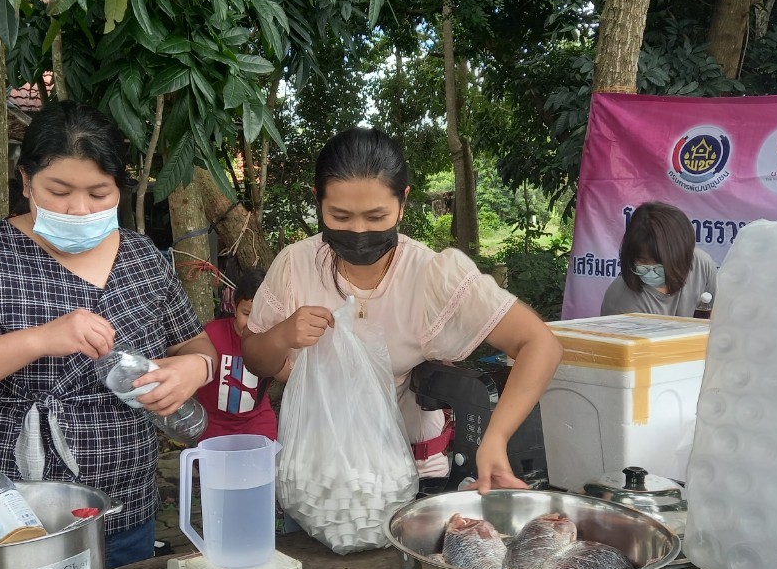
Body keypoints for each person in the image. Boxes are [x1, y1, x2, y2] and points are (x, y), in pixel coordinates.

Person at [0, 101, 217, 569]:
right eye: (59, 190)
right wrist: (38, 339)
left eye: (99, 194)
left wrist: (196, 367)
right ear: (26, 181)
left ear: (120, 190)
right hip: (11, 522)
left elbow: (194, 343)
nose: (79, 209)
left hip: (125, 509)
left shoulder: (143, 258)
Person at [241, 127, 563, 494]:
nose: (359, 231)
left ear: (403, 202)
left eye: (376, 217)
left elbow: (540, 344)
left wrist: (496, 438)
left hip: (405, 470)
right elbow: (254, 359)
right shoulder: (296, 265)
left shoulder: (431, 277)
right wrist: (282, 335)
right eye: (340, 217)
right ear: (318, 201)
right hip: (315, 473)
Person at [197, 268, 288, 441]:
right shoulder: (211, 334)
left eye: (262, 317)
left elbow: (285, 375)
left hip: (256, 422)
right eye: (246, 314)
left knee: (263, 466)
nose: (253, 323)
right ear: (234, 307)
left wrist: (276, 344)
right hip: (214, 423)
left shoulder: (272, 339)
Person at [599, 201, 718, 318]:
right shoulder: (622, 301)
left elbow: (720, 318)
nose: (652, 270)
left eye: (660, 261)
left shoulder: (702, 265)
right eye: (643, 261)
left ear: (682, 254)